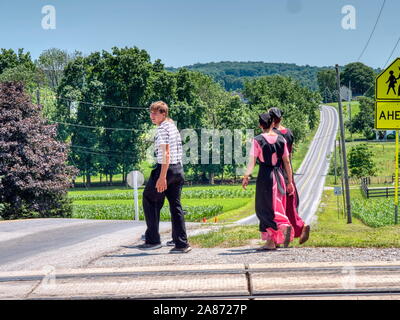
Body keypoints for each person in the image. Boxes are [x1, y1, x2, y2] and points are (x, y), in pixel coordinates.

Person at [138, 101, 191, 253]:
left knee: (149, 198)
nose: (152, 116)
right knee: (175, 206)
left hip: (166, 169)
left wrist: (162, 177)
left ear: (163, 114)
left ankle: (153, 240)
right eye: (151, 113)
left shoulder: (162, 129)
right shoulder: (172, 126)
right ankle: (181, 243)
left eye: (155, 113)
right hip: (178, 169)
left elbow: (166, 153)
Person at [242, 112, 294, 250]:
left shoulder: (257, 140)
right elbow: (287, 162)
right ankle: (278, 235)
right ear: (272, 123)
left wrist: (246, 176)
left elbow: (252, 162)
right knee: (277, 206)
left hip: (266, 176)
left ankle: (273, 239)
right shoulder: (282, 140)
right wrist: (290, 182)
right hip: (280, 175)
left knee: (264, 209)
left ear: (260, 125)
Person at [269, 108, 310, 245]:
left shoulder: (272, 134)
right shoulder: (289, 133)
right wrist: (290, 177)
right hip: (288, 170)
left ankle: (277, 236)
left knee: (276, 205)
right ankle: (298, 228)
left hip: (277, 170)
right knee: (290, 205)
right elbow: (289, 156)